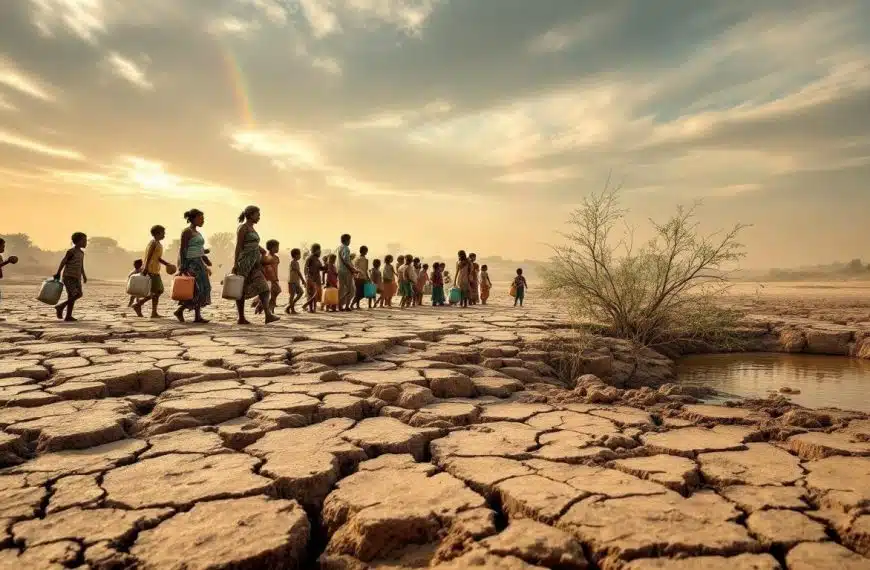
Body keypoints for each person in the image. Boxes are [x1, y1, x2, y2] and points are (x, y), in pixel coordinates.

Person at [232, 206, 278, 325]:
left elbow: (254, 244)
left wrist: (261, 250)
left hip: (255, 264)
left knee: (264, 288)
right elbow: (239, 246)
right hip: (244, 263)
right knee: (240, 291)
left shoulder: (252, 228)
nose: (259, 217)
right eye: (257, 214)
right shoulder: (243, 228)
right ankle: (241, 317)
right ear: (251, 215)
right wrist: (235, 264)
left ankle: (268, 315)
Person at [175, 209, 211, 324]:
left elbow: (198, 249)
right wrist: (182, 266)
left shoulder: (198, 233)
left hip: (199, 263)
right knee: (196, 289)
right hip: (191, 263)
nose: (203, 220)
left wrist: (205, 256)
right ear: (194, 218)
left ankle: (197, 316)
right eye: (201, 218)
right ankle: (180, 310)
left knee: (205, 287)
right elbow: (183, 249)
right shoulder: (187, 232)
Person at [133, 225, 174, 318]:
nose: (164, 235)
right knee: (158, 291)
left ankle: (153, 312)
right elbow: (148, 256)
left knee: (157, 292)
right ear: (157, 233)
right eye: (163, 233)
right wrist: (146, 268)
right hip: (150, 270)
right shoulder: (153, 243)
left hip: (156, 270)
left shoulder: (158, 244)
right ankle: (138, 305)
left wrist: (167, 264)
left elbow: (158, 258)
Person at [54, 232, 87, 322]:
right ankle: (60, 306)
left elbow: (81, 265)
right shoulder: (71, 251)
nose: (85, 243)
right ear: (78, 242)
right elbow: (64, 261)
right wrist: (58, 273)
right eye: (84, 241)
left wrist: (83, 275)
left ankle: (68, 316)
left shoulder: (81, 253)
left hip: (77, 277)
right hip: (68, 276)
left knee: (71, 296)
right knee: (77, 294)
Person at [253, 239, 281, 315]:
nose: (278, 248)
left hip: (275, 278)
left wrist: (276, 278)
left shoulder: (276, 258)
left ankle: (270, 307)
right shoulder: (266, 257)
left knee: (276, 292)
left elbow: (275, 268)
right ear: (271, 248)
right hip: (268, 279)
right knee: (270, 293)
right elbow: (261, 266)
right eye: (276, 247)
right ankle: (261, 305)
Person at [337, 234, 357, 311]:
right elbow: (346, 261)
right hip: (346, 271)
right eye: (349, 240)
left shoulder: (339, 248)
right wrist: (352, 269)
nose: (350, 242)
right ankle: (346, 306)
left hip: (339, 270)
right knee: (351, 290)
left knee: (341, 289)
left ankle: (339, 305)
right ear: (346, 240)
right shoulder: (346, 248)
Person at [303, 244, 324, 313]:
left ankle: (314, 308)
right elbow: (305, 268)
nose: (320, 252)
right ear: (315, 250)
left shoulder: (317, 259)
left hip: (317, 278)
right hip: (311, 278)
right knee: (310, 294)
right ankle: (310, 308)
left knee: (315, 294)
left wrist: (327, 266)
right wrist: (307, 277)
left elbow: (321, 268)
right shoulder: (310, 258)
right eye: (319, 250)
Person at [284, 248, 304, 315]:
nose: (300, 256)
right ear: (295, 255)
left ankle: (289, 307)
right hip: (292, 281)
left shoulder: (297, 263)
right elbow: (298, 272)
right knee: (292, 295)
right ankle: (291, 310)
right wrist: (303, 280)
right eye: (299, 255)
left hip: (296, 282)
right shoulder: (293, 262)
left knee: (301, 292)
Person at [0, 238, 19, 309]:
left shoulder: (0, 256)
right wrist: (8, 261)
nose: (4, 248)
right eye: (2, 246)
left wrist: (8, 261)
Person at [352, 245, 369, 310]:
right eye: (365, 251)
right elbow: (355, 268)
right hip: (358, 277)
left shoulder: (366, 260)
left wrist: (368, 277)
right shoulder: (357, 259)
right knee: (359, 292)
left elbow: (366, 270)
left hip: (363, 277)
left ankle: (354, 304)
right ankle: (354, 305)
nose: (366, 252)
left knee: (363, 293)